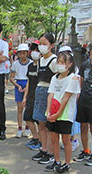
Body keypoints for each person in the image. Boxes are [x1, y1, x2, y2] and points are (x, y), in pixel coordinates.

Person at [45, 51, 80, 173]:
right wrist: (49, 111)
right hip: (53, 113)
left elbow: (66, 97)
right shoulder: (54, 77)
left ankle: (67, 163)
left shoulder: (73, 78)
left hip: (65, 114)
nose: (59, 64)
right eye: (58, 62)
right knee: (54, 138)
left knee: (66, 140)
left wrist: (58, 113)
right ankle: (57, 160)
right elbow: (51, 94)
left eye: (62, 62)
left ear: (69, 64)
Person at [31, 33, 57, 164]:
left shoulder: (55, 60)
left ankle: (51, 153)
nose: (41, 46)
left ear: (51, 46)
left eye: (44, 44)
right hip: (39, 91)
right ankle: (44, 148)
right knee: (40, 123)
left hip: (50, 93)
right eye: (40, 43)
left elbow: (59, 79)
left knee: (49, 125)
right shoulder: (40, 60)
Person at [23, 42, 41, 150]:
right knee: (28, 117)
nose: (35, 52)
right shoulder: (30, 66)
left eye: (37, 50)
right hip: (30, 96)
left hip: (40, 97)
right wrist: (25, 97)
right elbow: (29, 81)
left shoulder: (43, 66)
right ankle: (36, 137)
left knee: (40, 121)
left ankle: (41, 140)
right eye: (33, 50)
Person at [10, 43, 31, 138]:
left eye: (24, 53)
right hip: (19, 84)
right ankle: (19, 128)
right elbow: (11, 78)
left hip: (28, 83)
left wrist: (27, 86)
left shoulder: (31, 63)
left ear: (27, 53)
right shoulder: (15, 64)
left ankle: (27, 128)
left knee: (27, 108)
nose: (22, 55)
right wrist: (17, 85)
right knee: (19, 108)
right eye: (20, 53)